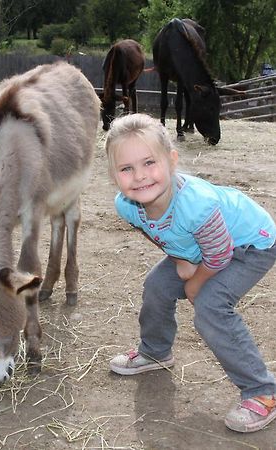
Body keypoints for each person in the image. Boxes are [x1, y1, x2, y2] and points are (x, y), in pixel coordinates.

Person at [105, 113, 276, 433]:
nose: (140, 176)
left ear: (171, 161)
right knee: (157, 285)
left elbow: (221, 253)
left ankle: (262, 390)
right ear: (115, 176)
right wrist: (178, 257)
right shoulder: (127, 205)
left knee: (209, 306)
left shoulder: (197, 206)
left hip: (249, 245)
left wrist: (196, 281)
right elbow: (152, 230)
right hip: (202, 247)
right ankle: (154, 353)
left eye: (149, 163)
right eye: (126, 169)